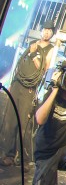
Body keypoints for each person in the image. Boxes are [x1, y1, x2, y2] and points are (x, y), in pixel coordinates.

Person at [0, 20, 60, 167]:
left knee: (24, 123)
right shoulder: (33, 43)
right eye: (44, 29)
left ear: (52, 33)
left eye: (49, 30)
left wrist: (34, 55)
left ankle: (24, 159)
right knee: (10, 120)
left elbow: (43, 69)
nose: (46, 32)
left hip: (30, 88)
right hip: (17, 84)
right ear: (41, 30)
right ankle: (8, 154)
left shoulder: (51, 49)